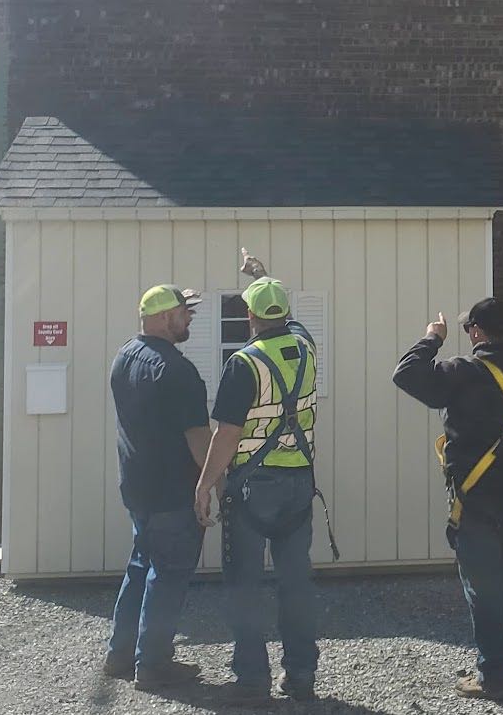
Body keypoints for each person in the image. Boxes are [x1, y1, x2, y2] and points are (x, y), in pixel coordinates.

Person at [393, 297, 503, 702]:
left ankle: (494, 677)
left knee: (484, 590)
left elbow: (406, 374)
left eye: (467, 329)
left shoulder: (464, 371)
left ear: (477, 331)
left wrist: (432, 339)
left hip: (475, 501)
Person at [194, 254, 321, 703]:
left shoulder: (244, 363)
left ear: (249, 315)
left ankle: (252, 680)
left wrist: (205, 484)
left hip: (252, 487)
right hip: (298, 483)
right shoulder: (305, 348)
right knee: (295, 583)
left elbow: (227, 434)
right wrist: (263, 275)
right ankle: (301, 675)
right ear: (283, 312)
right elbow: (289, 320)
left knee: (245, 586)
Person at [105, 283, 210, 691]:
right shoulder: (178, 371)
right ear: (166, 317)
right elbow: (198, 439)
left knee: (141, 567)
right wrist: (215, 482)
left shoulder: (124, 357)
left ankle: (120, 655)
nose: (189, 318)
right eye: (185, 312)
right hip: (172, 492)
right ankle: (152, 665)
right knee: (167, 576)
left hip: (137, 487)